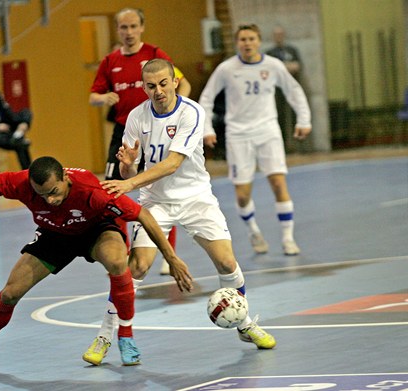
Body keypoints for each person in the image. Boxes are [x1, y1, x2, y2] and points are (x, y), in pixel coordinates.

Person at [0, 156, 193, 370]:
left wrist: (172, 258)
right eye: (42, 195)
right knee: (11, 292)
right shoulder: (22, 185)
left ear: (65, 178)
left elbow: (142, 215)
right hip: (55, 234)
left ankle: (126, 337)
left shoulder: (93, 193)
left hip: (96, 229)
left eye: (54, 192)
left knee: (118, 263)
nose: (49, 199)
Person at [82, 59, 276, 367]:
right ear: (143, 87)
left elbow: (172, 164)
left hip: (195, 197)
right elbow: (128, 166)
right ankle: (107, 335)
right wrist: (129, 164)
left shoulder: (191, 112)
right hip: (156, 202)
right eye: (150, 86)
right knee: (139, 267)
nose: (157, 91)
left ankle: (244, 323)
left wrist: (128, 181)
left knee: (227, 262)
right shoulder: (136, 117)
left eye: (163, 84)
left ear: (174, 82)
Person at [89, 7, 191, 275]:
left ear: (142, 27)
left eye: (133, 26)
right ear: (118, 30)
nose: (129, 32)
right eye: (124, 28)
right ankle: (121, 248)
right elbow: (93, 96)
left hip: (155, 129)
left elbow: (183, 84)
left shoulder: (155, 55)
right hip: (125, 131)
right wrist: (103, 98)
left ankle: (169, 253)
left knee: (162, 189)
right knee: (112, 188)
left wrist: (183, 114)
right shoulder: (110, 61)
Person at [199, 23, 312, 256]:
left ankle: (288, 238)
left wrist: (304, 120)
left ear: (259, 41)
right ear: (237, 43)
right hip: (238, 135)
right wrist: (206, 128)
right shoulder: (226, 69)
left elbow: (294, 91)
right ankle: (253, 230)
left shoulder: (273, 65)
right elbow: (207, 98)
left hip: (268, 131)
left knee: (278, 184)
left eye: (251, 39)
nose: (247, 43)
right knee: (242, 195)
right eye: (242, 39)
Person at [266, 26, 303, 148]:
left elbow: (296, 66)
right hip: (277, 89)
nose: (278, 37)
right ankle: (283, 146)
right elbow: (271, 71)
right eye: (276, 35)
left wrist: (281, 67)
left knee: (295, 115)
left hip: (292, 87)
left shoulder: (291, 50)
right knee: (279, 116)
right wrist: (286, 67)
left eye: (280, 34)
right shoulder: (270, 53)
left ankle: (298, 144)